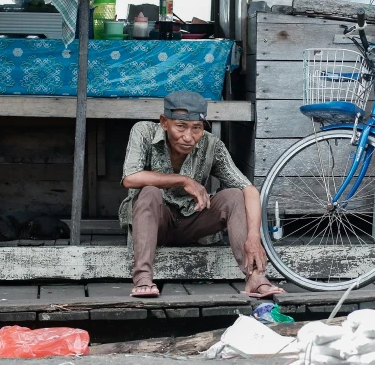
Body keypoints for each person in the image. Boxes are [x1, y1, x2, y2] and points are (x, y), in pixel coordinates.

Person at [119, 90, 285, 298]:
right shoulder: (143, 131)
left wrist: (253, 237)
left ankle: (254, 277)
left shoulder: (211, 144)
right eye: (180, 127)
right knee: (150, 191)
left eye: (196, 128)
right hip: (155, 222)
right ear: (164, 122)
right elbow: (130, 178)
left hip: (193, 222)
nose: (188, 137)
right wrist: (183, 180)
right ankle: (143, 278)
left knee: (234, 195)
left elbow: (249, 190)